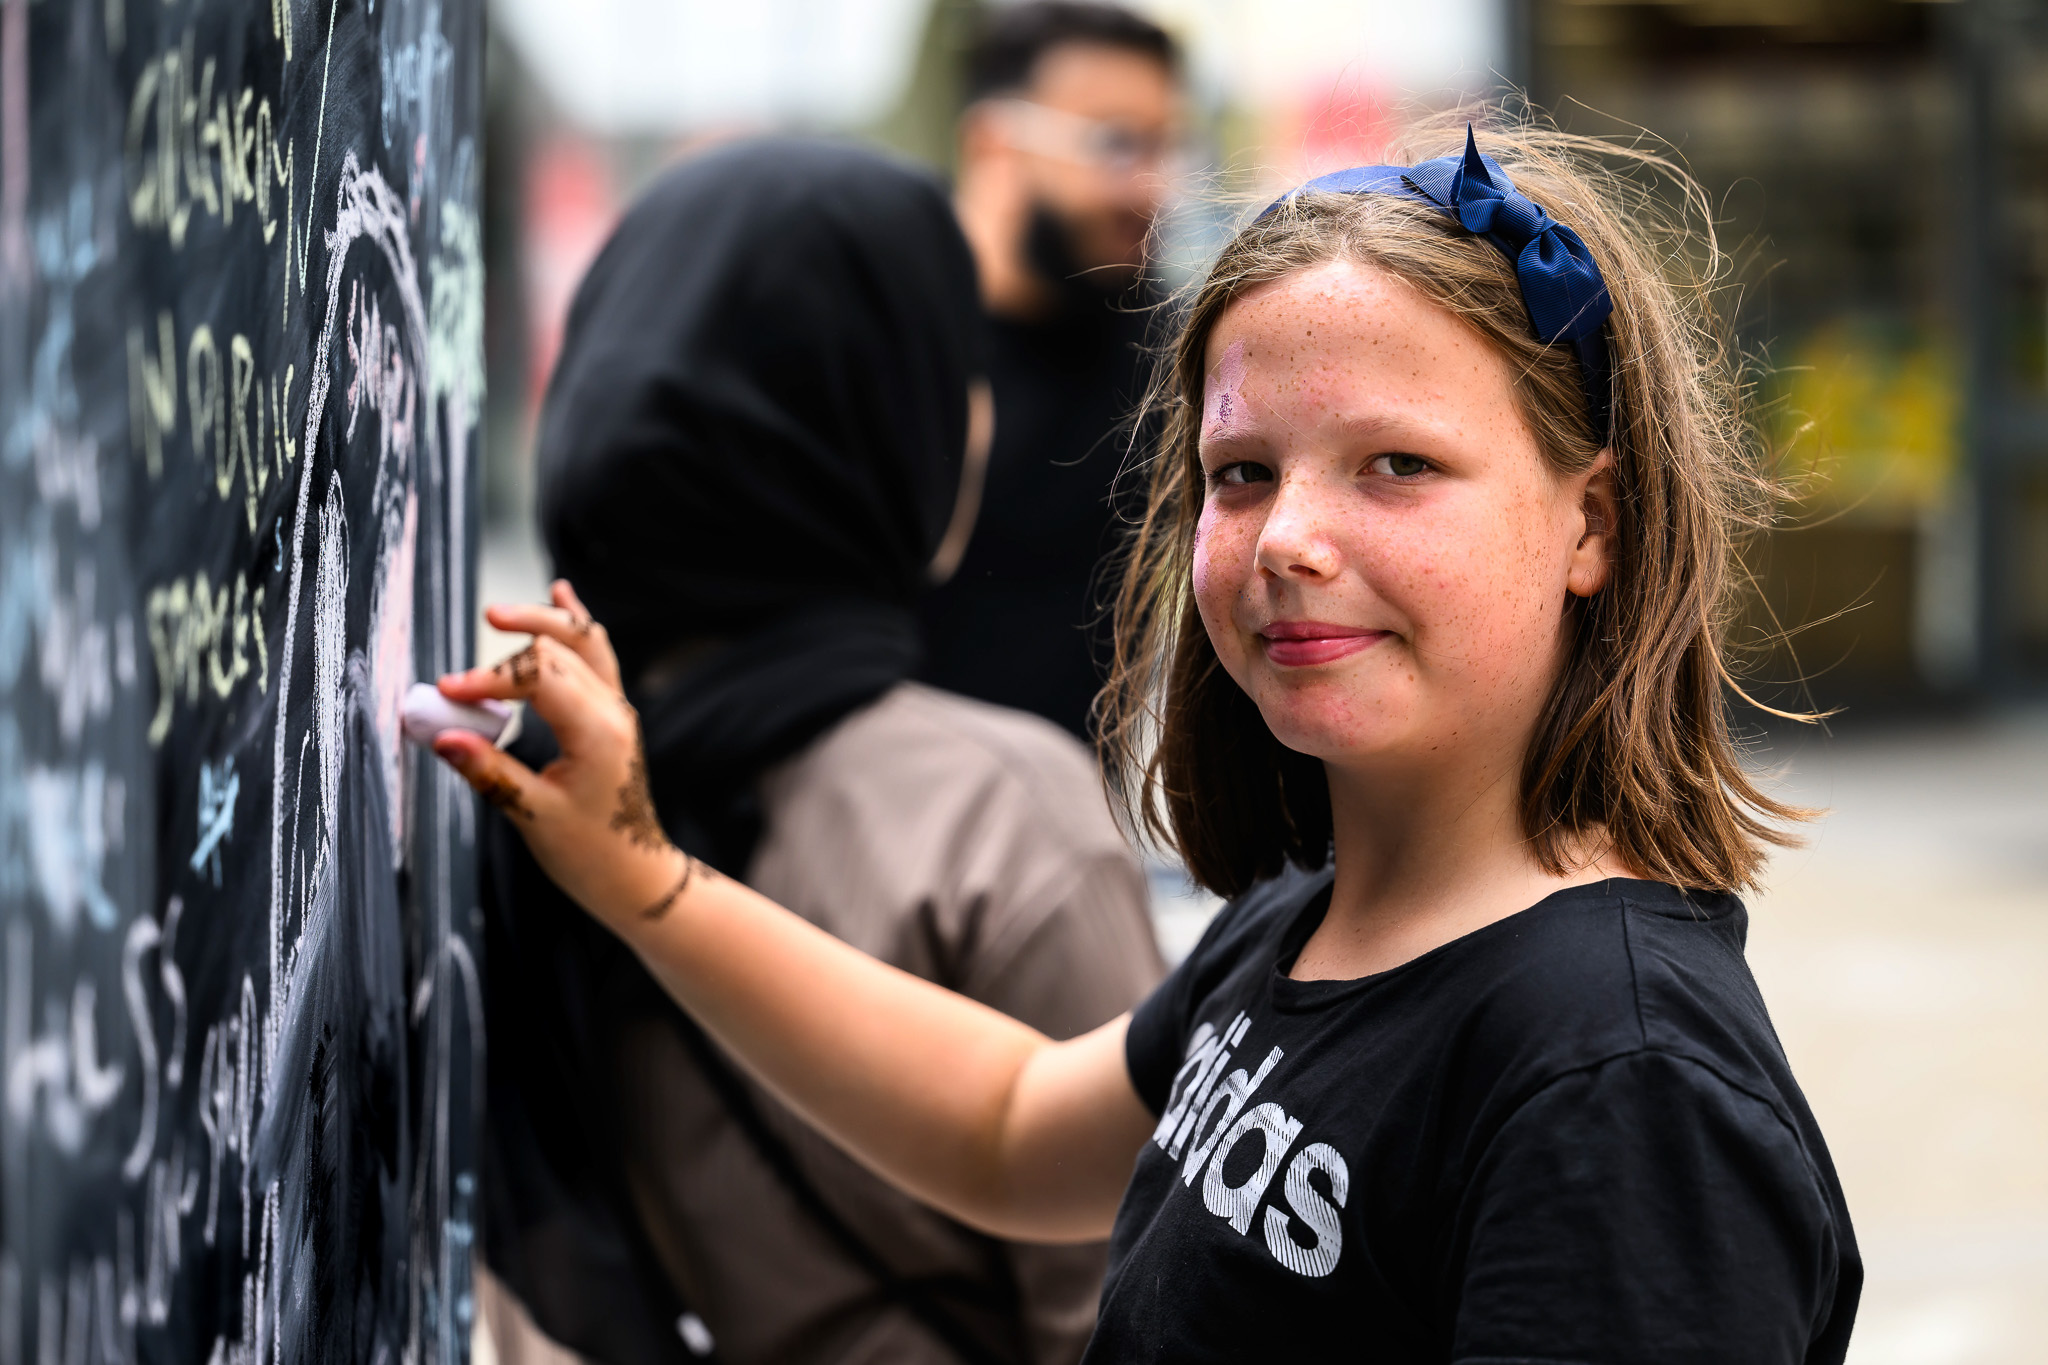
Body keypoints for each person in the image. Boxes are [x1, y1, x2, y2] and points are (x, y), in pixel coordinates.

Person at [441, 118, 1863, 1362]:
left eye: (1398, 466)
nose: (1290, 538)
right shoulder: (1297, 928)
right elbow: (1003, 1124)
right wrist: (639, 872)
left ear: (1592, 525)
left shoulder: (1623, 1080)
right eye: (1241, 474)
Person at [474, 139, 1163, 1365]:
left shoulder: (512, 798)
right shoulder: (1000, 817)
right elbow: (1135, 1311)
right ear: (881, 423)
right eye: (952, 369)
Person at [922, 2, 1184, 739]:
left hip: (1074, 827)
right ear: (994, 146)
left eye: (1165, 148)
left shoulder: (1166, 353)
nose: (1148, 186)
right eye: (1116, 144)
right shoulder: (892, 343)